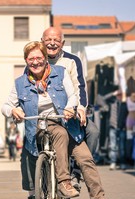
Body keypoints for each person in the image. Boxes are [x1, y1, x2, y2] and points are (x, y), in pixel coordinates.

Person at [1, 41, 116, 199]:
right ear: (26, 61)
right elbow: (6, 106)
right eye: (31, 59)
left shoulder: (60, 74)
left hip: (68, 125)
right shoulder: (20, 83)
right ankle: (64, 182)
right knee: (58, 132)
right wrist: (13, 110)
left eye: (39, 57)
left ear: (45, 59)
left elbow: (72, 96)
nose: (35, 62)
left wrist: (71, 107)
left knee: (85, 158)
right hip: (41, 129)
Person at [42, 27, 100, 155]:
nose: (52, 43)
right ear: (42, 42)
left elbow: (79, 86)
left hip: (69, 112)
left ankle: (82, 168)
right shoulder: (36, 60)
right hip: (45, 114)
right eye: (48, 40)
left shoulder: (73, 60)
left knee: (93, 132)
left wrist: (80, 109)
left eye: (56, 40)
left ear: (62, 44)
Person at [104, 89, 128, 170]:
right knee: (113, 146)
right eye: (118, 95)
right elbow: (104, 99)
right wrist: (113, 93)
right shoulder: (112, 103)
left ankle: (122, 163)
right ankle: (113, 162)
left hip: (122, 128)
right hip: (113, 127)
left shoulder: (125, 104)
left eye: (121, 95)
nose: (119, 96)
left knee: (122, 147)